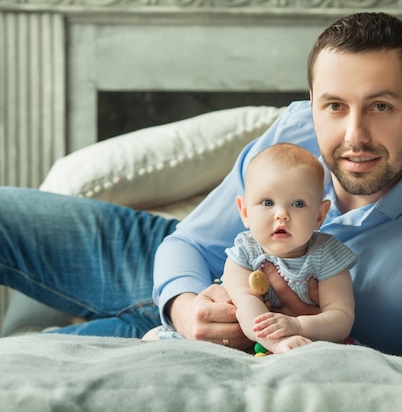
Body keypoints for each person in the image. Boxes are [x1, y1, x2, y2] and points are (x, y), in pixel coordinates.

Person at [0, 12, 402, 363]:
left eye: (381, 106)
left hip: (227, 349)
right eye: (334, 105)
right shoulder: (296, 129)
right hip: (182, 273)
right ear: (314, 100)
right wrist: (182, 307)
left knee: (18, 366)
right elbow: (190, 243)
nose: (353, 135)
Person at [145, 143, 357, 355]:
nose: (281, 214)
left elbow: (341, 317)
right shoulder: (244, 253)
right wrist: (276, 343)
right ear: (244, 211)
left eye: (298, 204)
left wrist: (299, 326)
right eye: (267, 202)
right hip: (243, 336)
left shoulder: (327, 254)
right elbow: (247, 306)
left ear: (320, 215)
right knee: (158, 341)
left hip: (304, 335)